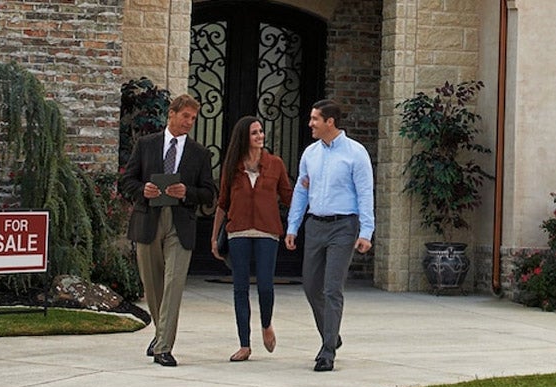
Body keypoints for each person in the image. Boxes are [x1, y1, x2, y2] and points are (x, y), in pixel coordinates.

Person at [121, 94, 217, 367]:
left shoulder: (200, 154)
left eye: (193, 118)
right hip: (148, 219)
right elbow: (126, 181)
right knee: (153, 285)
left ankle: (163, 347)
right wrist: (143, 190)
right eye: (185, 116)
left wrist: (188, 192)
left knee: (174, 285)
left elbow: (209, 193)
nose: (189, 122)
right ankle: (160, 333)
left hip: (180, 223)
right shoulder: (146, 144)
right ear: (172, 114)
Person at [285, 99, 375, 372]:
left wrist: (366, 231)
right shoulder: (310, 154)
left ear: (330, 122)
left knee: (332, 288)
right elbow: (301, 192)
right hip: (315, 225)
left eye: (314, 119)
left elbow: (365, 193)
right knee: (311, 287)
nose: (310, 123)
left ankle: (326, 353)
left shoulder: (355, 153)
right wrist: (292, 226)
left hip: (343, 226)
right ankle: (332, 335)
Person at [211, 116, 294, 362]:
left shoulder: (275, 164)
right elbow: (223, 204)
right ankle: (244, 344)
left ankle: (266, 324)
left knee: (266, 286)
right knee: (240, 288)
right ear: (244, 137)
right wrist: (215, 237)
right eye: (254, 133)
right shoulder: (232, 166)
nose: (260, 136)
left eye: (261, 132)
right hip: (238, 232)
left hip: (268, 232)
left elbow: (289, 198)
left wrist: (308, 193)